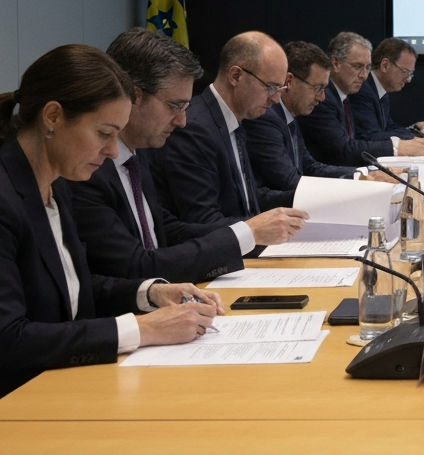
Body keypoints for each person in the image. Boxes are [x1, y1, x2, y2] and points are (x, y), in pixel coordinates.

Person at [0, 45, 222, 401]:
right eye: (104, 133)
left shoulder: (54, 186)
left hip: (50, 389)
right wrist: (140, 328)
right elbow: (5, 341)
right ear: (53, 116)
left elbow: (71, 289)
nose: (113, 151)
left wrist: (148, 294)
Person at [69, 29, 308, 283]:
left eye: (185, 107)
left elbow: (166, 229)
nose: (182, 121)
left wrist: (251, 232)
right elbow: (135, 266)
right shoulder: (89, 169)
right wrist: (247, 233)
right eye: (174, 106)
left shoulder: (135, 157)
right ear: (134, 96)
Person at [148, 31, 302, 225]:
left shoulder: (235, 119)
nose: (276, 99)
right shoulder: (194, 128)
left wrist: (307, 199)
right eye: (270, 87)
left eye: (280, 90)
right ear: (236, 76)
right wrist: (257, 231)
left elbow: (247, 200)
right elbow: (203, 219)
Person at [246, 40, 358, 209]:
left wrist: (360, 176)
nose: (322, 98)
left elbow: (309, 166)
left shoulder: (290, 113)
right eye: (318, 88)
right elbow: (289, 181)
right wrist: (354, 189)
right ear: (289, 81)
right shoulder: (265, 118)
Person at [300, 33, 424, 166]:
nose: (364, 75)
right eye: (358, 66)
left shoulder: (343, 96)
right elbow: (347, 149)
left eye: (367, 67)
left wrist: (413, 132)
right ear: (335, 64)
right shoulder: (325, 99)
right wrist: (399, 146)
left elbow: (386, 127)